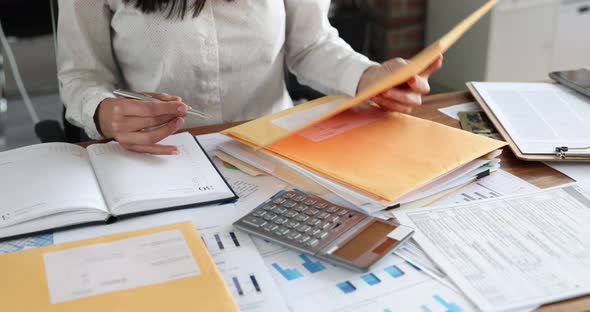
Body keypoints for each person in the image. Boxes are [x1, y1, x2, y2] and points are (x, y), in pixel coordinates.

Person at [58, 0, 442, 155]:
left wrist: (369, 76)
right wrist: (103, 112)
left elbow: (310, 45)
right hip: (158, 158)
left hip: (272, 149)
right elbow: (81, 77)